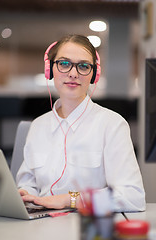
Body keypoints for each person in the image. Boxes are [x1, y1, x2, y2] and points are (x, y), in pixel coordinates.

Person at [16, 34, 145, 212]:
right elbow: (28, 185)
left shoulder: (112, 124)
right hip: (39, 223)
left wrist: (69, 200)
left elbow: (132, 196)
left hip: (87, 224)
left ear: (94, 74)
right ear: (50, 69)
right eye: (64, 63)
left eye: (83, 66)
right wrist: (24, 194)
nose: (73, 73)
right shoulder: (38, 126)